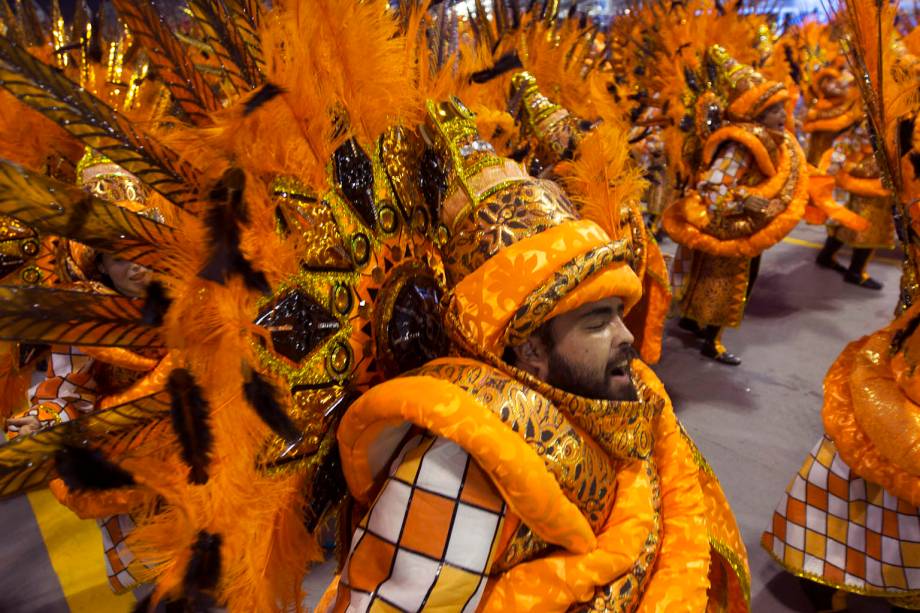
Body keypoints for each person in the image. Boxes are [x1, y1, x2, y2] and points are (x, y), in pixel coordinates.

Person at [322, 97, 750, 612]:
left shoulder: (610, 402)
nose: (628, 338)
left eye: (619, 312)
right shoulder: (452, 472)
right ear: (529, 350)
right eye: (597, 322)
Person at [663, 46, 808, 365]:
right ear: (756, 113)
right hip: (729, 227)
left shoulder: (773, 140)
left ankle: (693, 320)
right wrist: (745, 201)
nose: (783, 117)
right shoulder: (741, 145)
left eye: (783, 109)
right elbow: (713, 188)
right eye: (775, 111)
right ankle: (711, 341)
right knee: (729, 286)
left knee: (721, 281)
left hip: (741, 226)